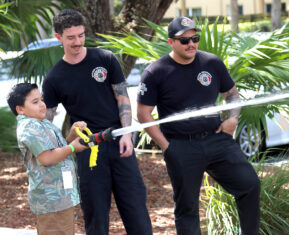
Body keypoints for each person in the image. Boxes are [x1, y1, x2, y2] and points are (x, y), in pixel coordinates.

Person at [137, 16, 260, 235]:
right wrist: (167, 147)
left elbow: (231, 94)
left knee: (250, 185)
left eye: (195, 38)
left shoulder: (211, 62)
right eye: (184, 40)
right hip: (181, 146)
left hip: (217, 138)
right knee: (187, 209)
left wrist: (232, 118)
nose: (191, 44)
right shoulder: (155, 72)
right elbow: (143, 114)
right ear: (170, 42)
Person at [42, 9, 152, 235]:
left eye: (81, 35)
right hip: (88, 149)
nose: (77, 42)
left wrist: (126, 134)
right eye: (71, 37)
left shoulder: (105, 59)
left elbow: (122, 97)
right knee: (96, 220)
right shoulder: (54, 78)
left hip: (120, 143)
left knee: (138, 216)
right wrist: (57, 149)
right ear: (58, 37)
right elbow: (46, 125)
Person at [7, 83, 88, 235]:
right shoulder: (30, 126)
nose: (42, 105)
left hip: (60, 198)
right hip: (51, 200)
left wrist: (72, 136)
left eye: (42, 100)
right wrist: (72, 147)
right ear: (20, 109)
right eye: (35, 102)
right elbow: (46, 158)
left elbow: (56, 150)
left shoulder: (41, 123)